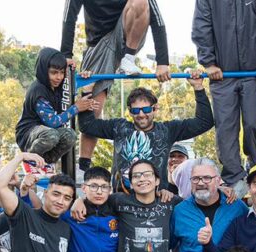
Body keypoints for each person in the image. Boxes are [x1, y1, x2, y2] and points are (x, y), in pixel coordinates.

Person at [61, 0, 171, 175]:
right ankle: (83, 167)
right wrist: (65, 54)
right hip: (99, 43)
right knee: (92, 105)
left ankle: (128, 58)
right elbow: (69, 15)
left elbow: (157, 17)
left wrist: (163, 62)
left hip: (128, 34)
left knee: (141, 2)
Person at [192, 0, 256, 187]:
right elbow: (201, 26)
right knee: (225, 128)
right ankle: (233, 178)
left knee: (254, 124)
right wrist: (208, 63)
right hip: (223, 74)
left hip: (255, 73)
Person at [78, 77, 213, 191]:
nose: (141, 115)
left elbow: (204, 122)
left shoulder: (168, 130)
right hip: (122, 202)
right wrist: (87, 91)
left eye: (146, 109)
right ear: (130, 111)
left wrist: (198, 88)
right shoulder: (119, 127)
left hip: (156, 203)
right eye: (136, 111)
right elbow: (87, 126)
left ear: (155, 109)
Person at [16, 47, 99, 164]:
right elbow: (52, 122)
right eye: (54, 72)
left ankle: (46, 162)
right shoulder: (38, 91)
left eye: (61, 72)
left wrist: (84, 77)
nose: (59, 77)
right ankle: (30, 160)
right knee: (52, 135)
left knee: (70, 135)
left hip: (46, 133)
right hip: (28, 135)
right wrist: (76, 108)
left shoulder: (58, 85)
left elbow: (72, 86)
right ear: (44, 71)